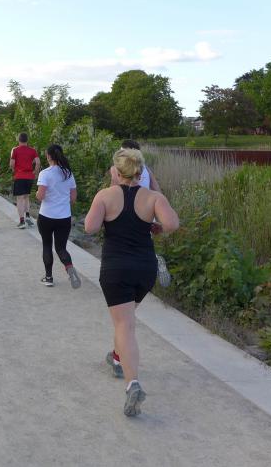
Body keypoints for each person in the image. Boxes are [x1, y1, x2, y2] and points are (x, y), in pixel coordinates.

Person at [84, 148, 179, 416]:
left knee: (124, 325)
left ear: (116, 170)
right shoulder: (153, 197)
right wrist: (156, 226)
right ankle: (117, 357)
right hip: (144, 269)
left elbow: (90, 227)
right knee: (126, 320)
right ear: (140, 171)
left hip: (116, 269)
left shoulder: (105, 195)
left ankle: (132, 383)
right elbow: (172, 224)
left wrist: (106, 212)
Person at [109, 139, 170, 288]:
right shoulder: (146, 168)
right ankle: (153, 262)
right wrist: (158, 209)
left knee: (124, 243)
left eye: (122, 151)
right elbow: (156, 188)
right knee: (142, 243)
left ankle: (132, 274)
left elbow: (113, 190)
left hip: (126, 210)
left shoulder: (116, 169)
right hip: (147, 211)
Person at [35, 145, 81, 289]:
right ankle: (69, 267)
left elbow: (40, 196)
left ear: (49, 156)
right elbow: (73, 198)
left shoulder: (45, 173)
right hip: (64, 217)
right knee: (61, 248)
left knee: (47, 245)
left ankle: (48, 278)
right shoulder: (68, 173)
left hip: (46, 216)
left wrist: (37, 194)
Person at [9, 133, 40, 229]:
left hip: (19, 176)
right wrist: (35, 172)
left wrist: (13, 170)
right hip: (29, 177)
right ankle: (27, 216)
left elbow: (11, 164)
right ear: (27, 140)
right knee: (26, 197)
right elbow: (38, 162)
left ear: (19, 140)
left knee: (20, 198)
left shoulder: (15, 150)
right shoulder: (33, 150)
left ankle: (22, 221)